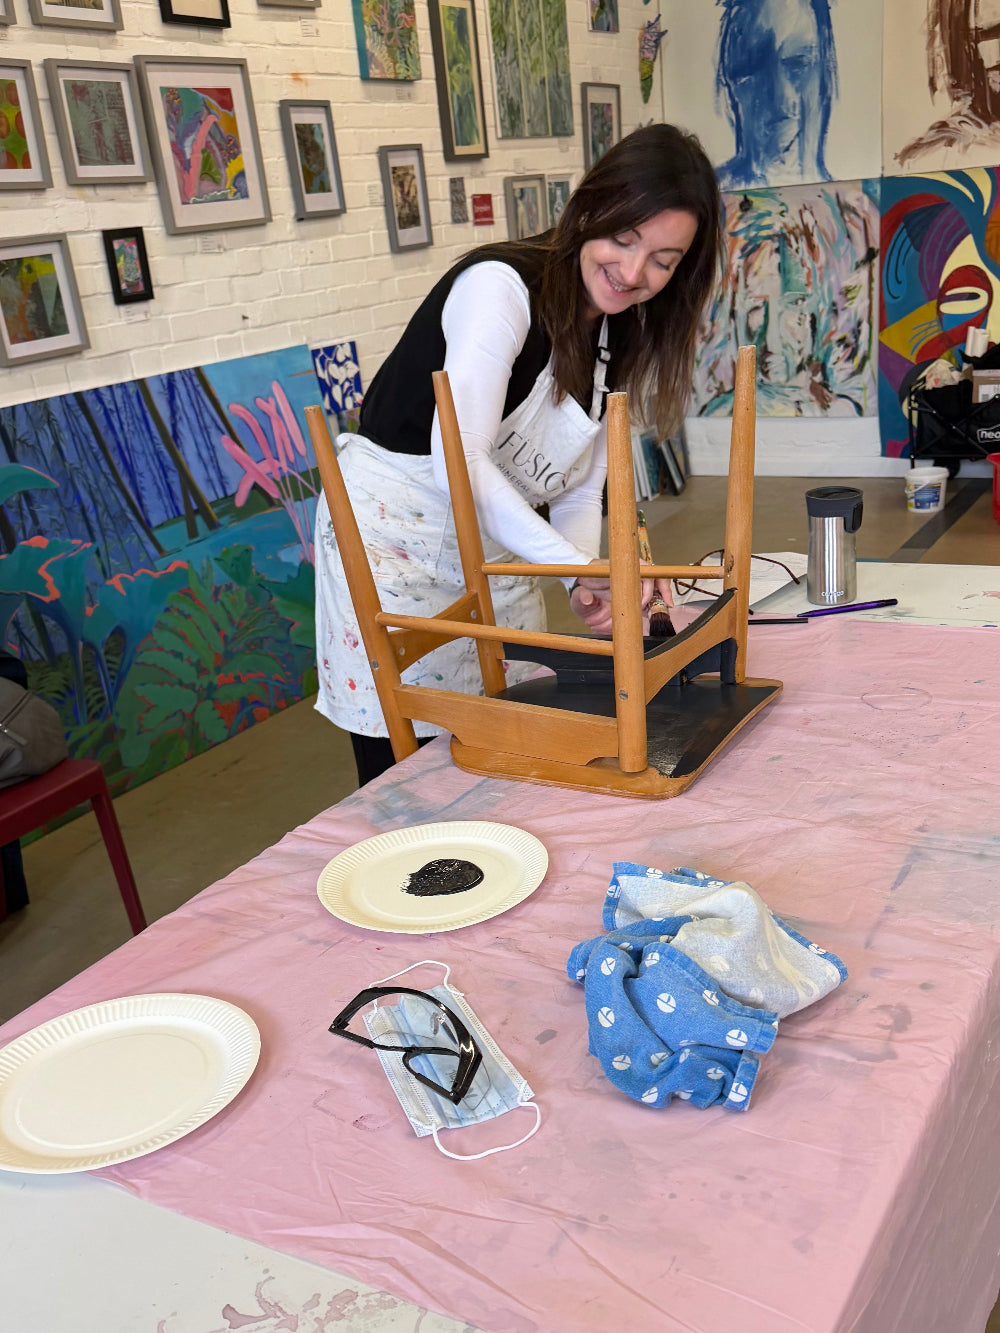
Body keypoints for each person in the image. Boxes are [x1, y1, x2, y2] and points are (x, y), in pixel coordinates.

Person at [314, 123, 722, 785]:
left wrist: (577, 580)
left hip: (495, 540)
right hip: (396, 539)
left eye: (663, 260)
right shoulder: (500, 289)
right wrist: (587, 567)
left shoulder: (617, 329)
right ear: (591, 208)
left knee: (502, 742)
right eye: (623, 239)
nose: (634, 272)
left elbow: (576, 486)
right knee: (405, 768)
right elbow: (460, 462)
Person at [716, 0, 836, 188]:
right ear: (730, 81)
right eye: (754, 68)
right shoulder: (708, 201)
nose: (782, 99)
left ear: (825, 74)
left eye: (799, 64)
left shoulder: (856, 207)